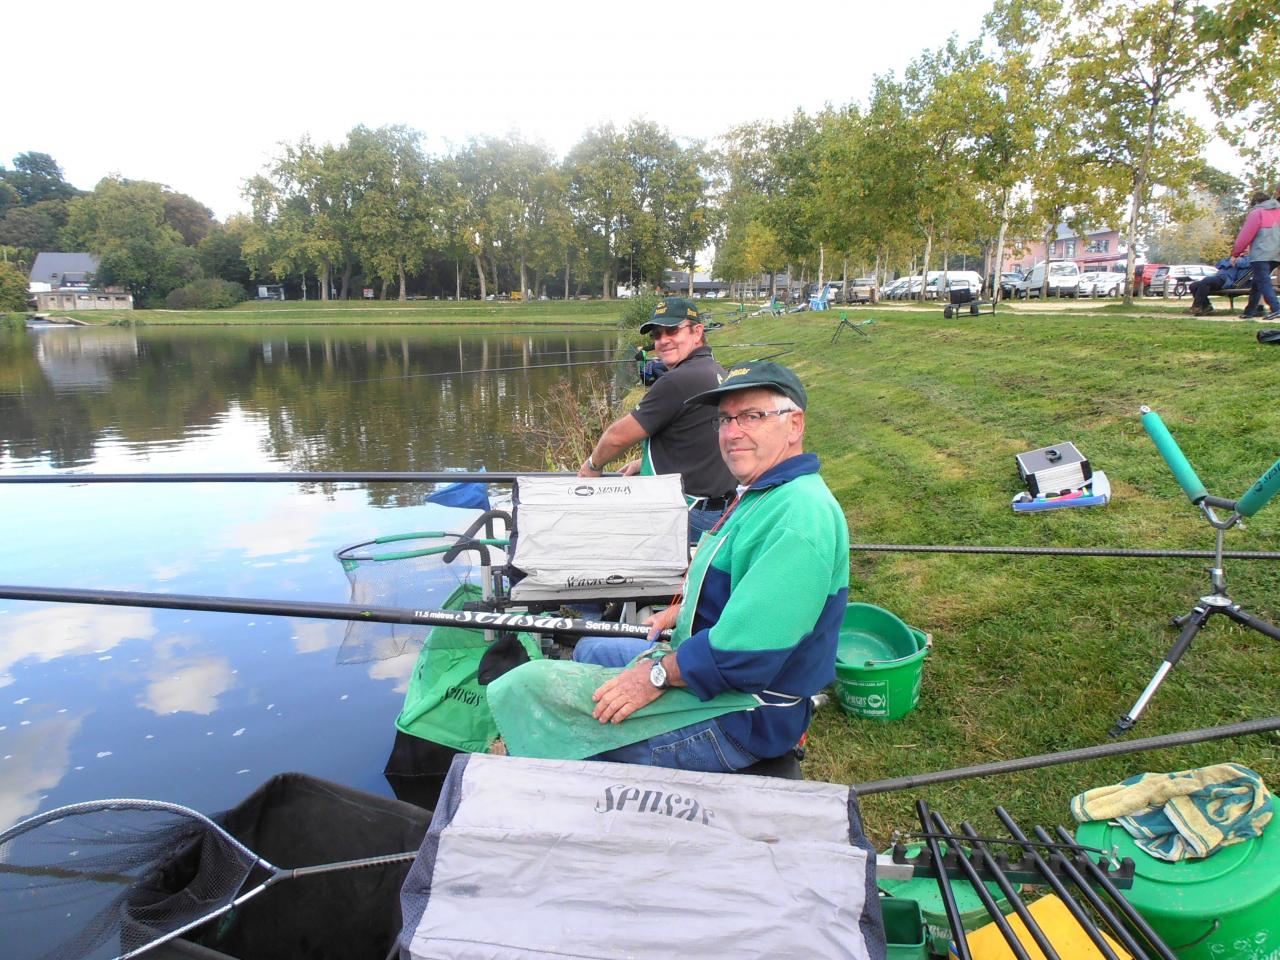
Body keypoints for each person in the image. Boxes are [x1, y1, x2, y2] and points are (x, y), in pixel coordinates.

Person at [506, 360, 848, 773]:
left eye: (752, 416)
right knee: (589, 646)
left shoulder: (799, 517)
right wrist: (685, 610)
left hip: (743, 718)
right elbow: (748, 595)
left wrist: (654, 676)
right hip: (708, 670)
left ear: (794, 425)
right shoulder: (764, 491)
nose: (732, 432)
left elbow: (746, 657)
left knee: (529, 690)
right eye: (725, 419)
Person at [578, 296, 736, 541]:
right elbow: (699, 437)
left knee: (601, 535)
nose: (663, 341)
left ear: (697, 331)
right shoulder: (714, 370)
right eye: (656, 335)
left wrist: (592, 466)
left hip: (688, 513)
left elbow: (618, 437)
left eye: (672, 330)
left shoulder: (677, 381)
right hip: (718, 510)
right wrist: (646, 465)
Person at [1233, 189, 1280, 321]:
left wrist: (1236, 252)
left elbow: (1245, 235)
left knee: (1262, 280)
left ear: (1255, 203)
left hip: (1261, 253)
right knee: (1258, 281)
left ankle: (1276, 308)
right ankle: (1250, 310)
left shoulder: (1257, 213)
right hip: (1277, 253)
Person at [1187, 254, 1251, 316]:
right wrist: (1233, 259)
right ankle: (1206, 307)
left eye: (1246, 248)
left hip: (1227, 280)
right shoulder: (1232, 257)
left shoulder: (1250, 259)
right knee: (1193, 285)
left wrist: (1237, 260)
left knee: (1207, 280)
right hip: (1218, 277)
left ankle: (1197, 306)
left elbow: (1243, 263)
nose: (1243, 250)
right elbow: (1219, 264)